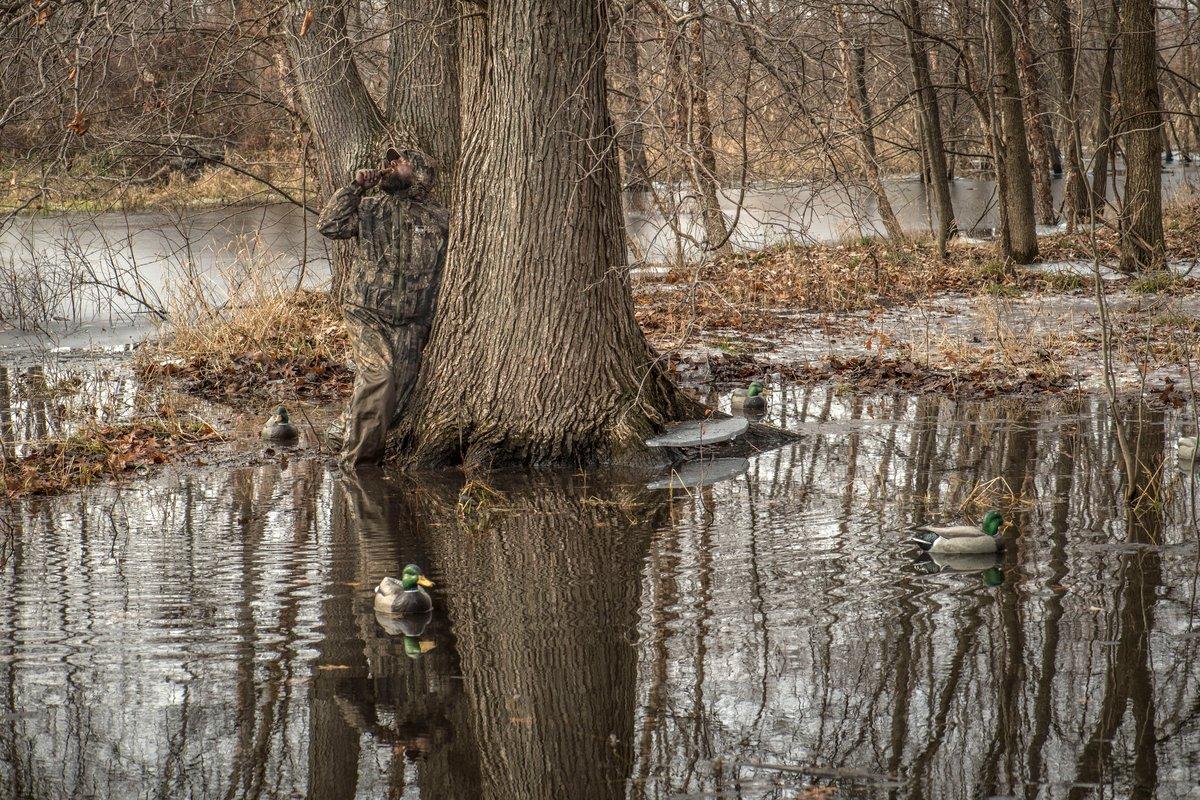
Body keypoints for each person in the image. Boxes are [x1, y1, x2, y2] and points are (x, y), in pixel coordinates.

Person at [317, 148, 448, 466]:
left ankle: (340, 433)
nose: (390, 166)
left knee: (398, 401)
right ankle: (359, 468)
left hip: (414, 322)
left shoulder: (439, 218)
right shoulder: (369, 207)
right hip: (368, 314)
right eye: (389, 161)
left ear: (418, 173)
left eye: (399, 162)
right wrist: (355, 188)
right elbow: (330, 226)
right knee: (379, 380)